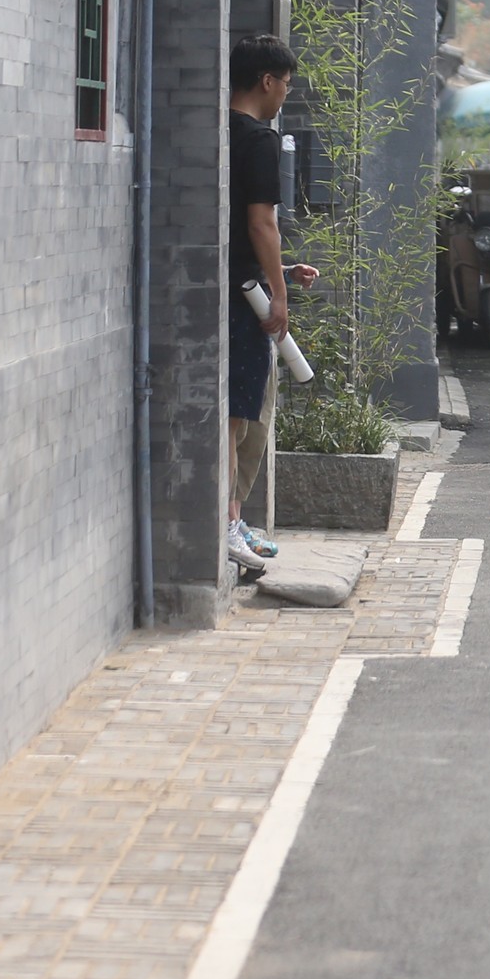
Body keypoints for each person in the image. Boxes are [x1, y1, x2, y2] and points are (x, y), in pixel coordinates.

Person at [225, 35, 319, 578]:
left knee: (242, 415)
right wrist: (278, 298)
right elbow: (261, 223)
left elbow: (236, 233)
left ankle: (233, 520)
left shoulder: (219, 131)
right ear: (267, 81)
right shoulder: (260, 140)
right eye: (285, 83)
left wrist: (278, 273)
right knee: (239, 416)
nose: (286, 93)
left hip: (236, 283)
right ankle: (230, 522)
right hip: (246, 304)